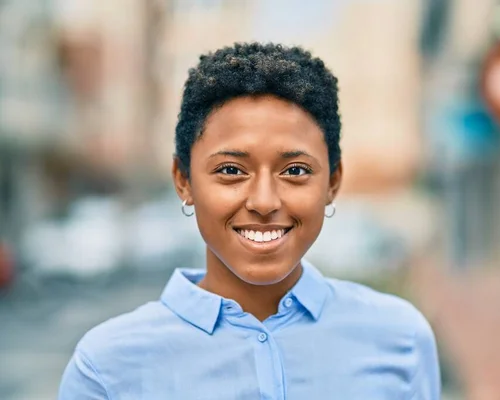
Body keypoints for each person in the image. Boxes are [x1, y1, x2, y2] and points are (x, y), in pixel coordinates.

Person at [58, 42, 440, 399]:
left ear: (333, 182)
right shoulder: (106, 368)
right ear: (183, 180)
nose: (263, 201)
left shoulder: (400, 339)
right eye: (230, 169)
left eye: (295, 169)